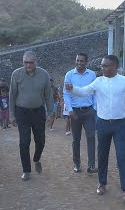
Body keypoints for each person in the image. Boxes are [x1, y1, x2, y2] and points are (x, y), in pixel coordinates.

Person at [65, 54, 125, 204]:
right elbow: (84, 91)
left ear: (115, 67)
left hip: (121, 124)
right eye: (102, 66)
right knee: (102, 155)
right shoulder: (98, 81)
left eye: (105, 66)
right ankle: (102, 183)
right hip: (102, 124)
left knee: (122, 157)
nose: (102, 68)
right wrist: (72, 89)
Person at [10, 50, 53, 181]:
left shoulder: (44, 74)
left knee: (40, 140)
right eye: (25, 63)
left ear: (36, 62)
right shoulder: (16, 74)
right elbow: (12, 95)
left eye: (30, 62)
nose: (28, 65)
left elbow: (48, 95)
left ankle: (36, 158)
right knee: (24, 142)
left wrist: (50, 113)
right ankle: (26, 170)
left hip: (38, 112)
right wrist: (12, 115)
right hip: (22, 112)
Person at [63, 52, 97, 173]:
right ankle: (77, 164)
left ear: (86, 62)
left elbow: (95, 92)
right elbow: (66, 94)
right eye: (77, 60)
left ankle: (91, 165)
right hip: (75, 113)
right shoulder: (69, 75)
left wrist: (95, 108)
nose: (79, 63)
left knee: (91, 137)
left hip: (89, 112)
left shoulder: (92, 74)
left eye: (81, 61)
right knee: (76, 139)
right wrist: (70, 110)